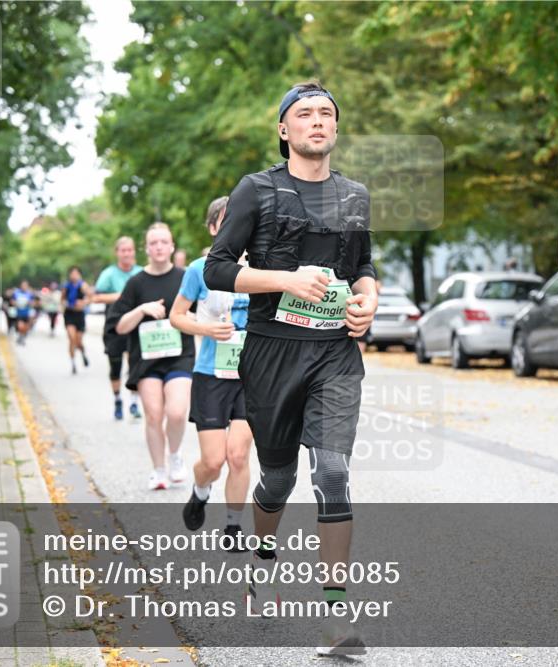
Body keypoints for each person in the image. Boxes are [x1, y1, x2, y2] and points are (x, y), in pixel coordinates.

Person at [204, 81, 377, 655]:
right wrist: (285, 279)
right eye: (304, 114)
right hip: (272, 353)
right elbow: (218, 270)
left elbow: (365, 266)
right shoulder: (256, 190)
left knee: (332, 471)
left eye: (327, 113)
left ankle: (335, 617)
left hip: (334, 352)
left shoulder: (354, 196)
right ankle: (262, 557)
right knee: (277, 479)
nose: (317, 122)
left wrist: (368, 300)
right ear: (284, 130)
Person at [170, 196, 253, 548]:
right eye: (225, 221)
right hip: (211, 374)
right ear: (213, 228)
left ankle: (234, 528)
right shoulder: (198, 270)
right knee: (214, 460)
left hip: (251, 376)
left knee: (238, 454)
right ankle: (200, 490)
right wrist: (205, 330)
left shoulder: (261, 269)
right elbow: (177, 315)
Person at [111, 223, 195, 490]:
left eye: (163, 242)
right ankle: (159, 470)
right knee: (154, 415)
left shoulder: (185, 278)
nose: (159, 247)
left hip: (180, 356)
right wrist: (142, 310)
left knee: (177, 412)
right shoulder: (135, 283)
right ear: (146, 249)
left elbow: (202, 314)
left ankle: (174, 454)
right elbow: (120, 326)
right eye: (153, 243)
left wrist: (186, 318)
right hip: (146, 361)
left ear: (172, 246)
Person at [94, 237, 143, 420]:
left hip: (136, 326)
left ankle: (134, 402)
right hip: (114, 325)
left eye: (130, 250)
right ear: (117, 253)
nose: (127, 254)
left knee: (134, 364)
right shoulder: (108, 274)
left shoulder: (140, 272)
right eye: (123, 250)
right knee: (115, 366)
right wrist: (123, 297)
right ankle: (117, 400)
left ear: (134, 252)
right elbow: (97, 298)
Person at [62, 267, 91, 374]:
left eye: (76, 273)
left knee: (78, 341)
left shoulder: (83, 285)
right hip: (69, 314)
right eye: (72, 273)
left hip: (80, 315)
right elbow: (62, 299)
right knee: (71, 338)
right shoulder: (66, 286)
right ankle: (73, 362)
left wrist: (83, 302)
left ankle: (83, 353)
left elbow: (91, 297)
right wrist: (65, 304)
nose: (74, 275)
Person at [11, 280, 36, 345]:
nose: (24, 287)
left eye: (25, 285)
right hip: (19, 312)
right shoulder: (16, 293)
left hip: (27, 313)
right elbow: (12, 301)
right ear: (20, 286)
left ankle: (22, 337)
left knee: (26, 327)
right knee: (20, 326)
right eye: (23, 285)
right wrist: (16, 303)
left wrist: (29, 303)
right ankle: (21, 336)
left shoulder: (29, 294)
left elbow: (33, 303)